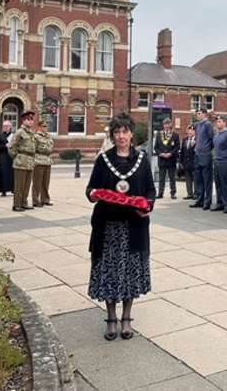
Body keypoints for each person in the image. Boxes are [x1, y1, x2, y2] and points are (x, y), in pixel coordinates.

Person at [86, 113, 155, 341]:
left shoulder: (142, 160)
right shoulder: (103, 160)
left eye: (125, 132)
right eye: (117, 132)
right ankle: (111, 318)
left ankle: (127, 317)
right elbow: (91, 189)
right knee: (109, 271)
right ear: (112, 135)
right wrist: (93, 196)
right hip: (108, 227)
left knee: (130, 272)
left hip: (133, 227)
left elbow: (150, 192)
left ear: (131, 134)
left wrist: (146, 207)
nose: (121, 136)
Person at [8, 110, 37, 212]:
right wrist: (16, 157)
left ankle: (24, 203)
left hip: (29, 161)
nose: (30, 122)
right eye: (28, 120)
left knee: (26, 185)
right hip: (21, 161)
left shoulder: (31, 133)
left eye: (31, 120)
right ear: (24, 121)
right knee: (19, 185)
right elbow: (11, 146)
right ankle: (16, 204)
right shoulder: (20, 132)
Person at [192, 108, 214, 209]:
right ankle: (199, 200)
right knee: (198, 180)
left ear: (205, 114)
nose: (197, 115)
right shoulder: (197, 125)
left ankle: (207, 202)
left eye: (199, 113)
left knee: (207, 180)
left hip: (205, 155)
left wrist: (206, 149)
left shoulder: (208, 124)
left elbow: (211, 139)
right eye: (197, 114)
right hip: (197, 154)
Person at [212, 115, 227, 213]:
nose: (218, 123)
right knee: (218, 183)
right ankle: (220, 202)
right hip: (217, 161)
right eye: (217, 122)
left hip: (225, 162)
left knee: (226, 184)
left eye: (220, 121)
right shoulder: (216, 135)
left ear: (225, 123)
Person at [154, 118, 180, 199]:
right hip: (162, 160)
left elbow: (177, 147)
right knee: (161, 178)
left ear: (170, 124)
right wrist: (160, 153)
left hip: (171, 159)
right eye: (165, 124)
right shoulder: (159, 134)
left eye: (168, 124)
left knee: (172, 178)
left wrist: (170, 153)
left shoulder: (175, 135)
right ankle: (160, 193)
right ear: (163, 125)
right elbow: (156, 147)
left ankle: (173, 193)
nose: (166, 125)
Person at [32, 120, 54, 207]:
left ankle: (45, 199)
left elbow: (51, 148)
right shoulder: (36, 136)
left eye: (46, 126)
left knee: (46, 182)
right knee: (37, 182)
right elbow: (36, 148)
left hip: (47, 161)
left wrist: (47, 149)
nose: (45, 128)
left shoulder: (48, 136)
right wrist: (45, 149)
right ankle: (35, 200)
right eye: (44, 126)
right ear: (40, 127)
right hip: (39, 160)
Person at [0, 120, 15, 196]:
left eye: (7, 126)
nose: (5, 127)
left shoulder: (13, 135)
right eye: (4, 126)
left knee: (12, 173)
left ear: (10, 127)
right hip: (3, 156)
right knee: (2, 173)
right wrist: (5, 146)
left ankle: (13, 189)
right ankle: (3, 190)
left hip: (11, 156)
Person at [180, 125, 197, 200]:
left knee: (196, 179)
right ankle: (189, 194)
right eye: (189, 130)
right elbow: (182, 152)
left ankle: (196, 194)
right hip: (186, 163)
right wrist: (181, 162)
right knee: (188, 179)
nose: (190, 132)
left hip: (194, 163)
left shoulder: (197, 139)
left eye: (192, 130)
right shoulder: (185, 139)